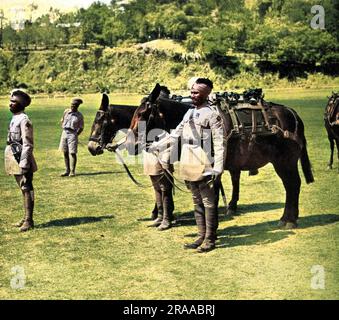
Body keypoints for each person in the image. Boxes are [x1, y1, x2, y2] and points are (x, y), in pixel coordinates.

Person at [150, 78, 225, 252]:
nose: (193, 95)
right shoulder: (189, 113)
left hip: (204, 157)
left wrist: (218, 168)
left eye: (196, 92)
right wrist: (157, 146)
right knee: (196, 199)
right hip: (188, 157)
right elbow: (175, 135)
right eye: (192, 92)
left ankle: (210, 238)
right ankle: (201, 235)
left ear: (205, 94)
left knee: (207, 200)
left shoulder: (212, 114)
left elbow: (220, 143)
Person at [4, 89, 37, 232]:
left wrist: (24, 163)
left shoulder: (24, 119)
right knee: (22, 189)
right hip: (14, 155)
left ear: (21, 104)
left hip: (22, 158)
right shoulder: (15, 117)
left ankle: (29, 220)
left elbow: (28, 144)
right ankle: (25, 217)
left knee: (26, 188)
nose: (10, 104)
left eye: (14, 102)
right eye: (10, 101)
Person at [59, 98, 84, 177]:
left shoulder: (79, 115)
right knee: (65, 152)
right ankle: (67, 170)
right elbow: (62, 120)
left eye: (75, 105)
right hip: (64, 132)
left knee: (72, 152)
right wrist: (63, 126)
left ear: (77, 106)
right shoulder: (66, 112)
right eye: (72, 105)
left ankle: (72, 171)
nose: (72, 106)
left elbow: (81, 127)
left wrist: (76, 134)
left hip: (73, 134)